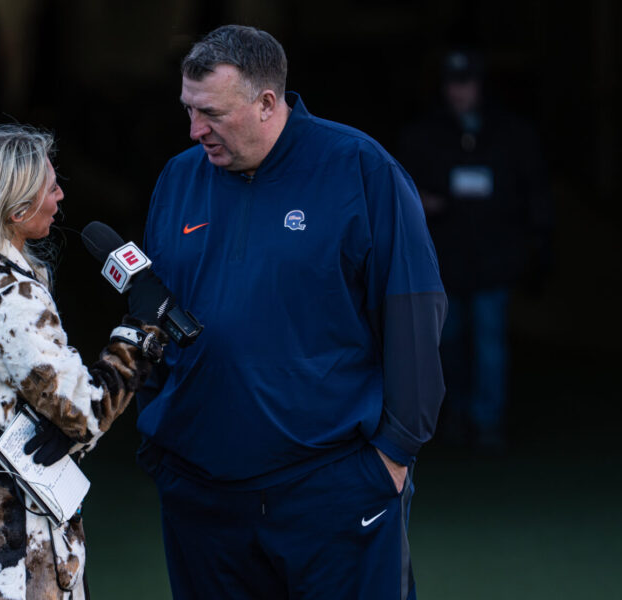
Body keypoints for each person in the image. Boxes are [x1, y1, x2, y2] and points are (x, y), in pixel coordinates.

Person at [137, 25, 446, 599]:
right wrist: (161, 443)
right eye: (188, 109)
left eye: (212, 113)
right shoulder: (179, 178)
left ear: (267, 103)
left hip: (332, 492)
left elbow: (413, 315)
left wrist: (393, 456)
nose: (195, 129)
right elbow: (152, 310)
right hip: (202, 499)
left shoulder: (361, 169)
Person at [0, 124, 166, 600]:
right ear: (17, 209)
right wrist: (139, 332)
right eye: (51, 187)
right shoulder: (13, 293)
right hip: (4, 525)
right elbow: (84, 414)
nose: (61, 196)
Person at [397, 50, 552, 453]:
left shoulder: (510, 134)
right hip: (444, 260)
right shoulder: (424, 134)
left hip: (495, 257)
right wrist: (423, 202)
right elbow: (400, 190)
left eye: (466, 83)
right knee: (447, 341)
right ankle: (456, 415)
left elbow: (532, 191)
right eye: (453, 83)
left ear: (480, 86)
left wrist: (535, 243)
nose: (459, 92)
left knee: (490, 342)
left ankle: (487, 422)